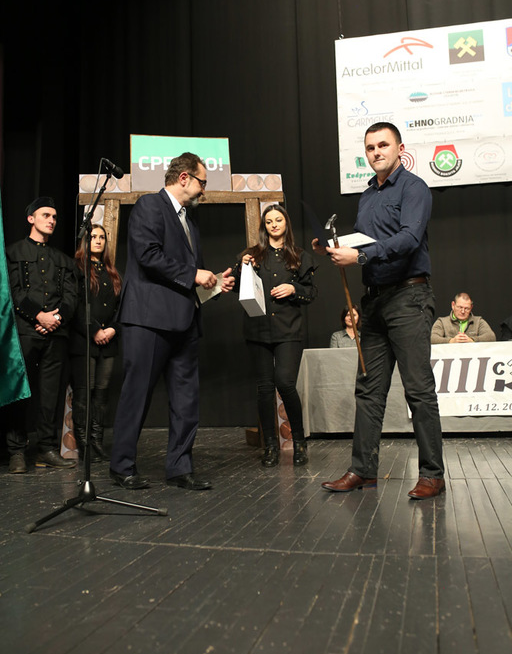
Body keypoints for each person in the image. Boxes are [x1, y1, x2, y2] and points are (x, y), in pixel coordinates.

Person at [313, 122, 445, 500]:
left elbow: (408, 238)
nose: (376, 152)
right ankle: (362, 470)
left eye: (383, 145)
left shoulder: (414, 187)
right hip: (373, 302)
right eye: (370, 147)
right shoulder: (367, 195)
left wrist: (359, 256)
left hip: (408, 298)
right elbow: (367, 242)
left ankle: (432, 474)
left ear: (400, 148)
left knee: (418, 390)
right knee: (368, 390)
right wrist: (336, 248)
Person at [109, 153, 234, 490]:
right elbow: (148, 255)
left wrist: (213, 283)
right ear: (183, 178)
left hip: (185, 321)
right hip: (148, 320)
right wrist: (195, 274)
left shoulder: (190, 222)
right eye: (202, 182)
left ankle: (180, 468)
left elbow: (189, 276)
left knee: (186, 400)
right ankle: (122, 466)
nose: (204, 191)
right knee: (137, 395)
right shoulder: (150, 205)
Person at [233, 204, 317, 467]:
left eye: (278, 220)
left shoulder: (299, 256)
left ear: (286, 223)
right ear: (264, 226)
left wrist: (293, 288)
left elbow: (311, 293)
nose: (274, 225)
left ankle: (299, 442)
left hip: (288, 330)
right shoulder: (251, 255)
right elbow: (236, 285)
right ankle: (270, 446)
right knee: (264, 388)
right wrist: (241, 268)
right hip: (258, 329)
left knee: (285, 383)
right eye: (269, 221)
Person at [5, 197, 77, 473]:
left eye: (54, 217)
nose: (51, 220)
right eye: (46, 215)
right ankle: (17, 451)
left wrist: (54, 319)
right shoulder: (13, 252)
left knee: (50, 393)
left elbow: (70, 296)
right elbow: (13, 290)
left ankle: (46, 448)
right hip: (25, 332)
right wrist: (38, 316)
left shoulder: (62, 259)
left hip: (55, 334)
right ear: (31, 219)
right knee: (21, 393)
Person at [70, 224, 122, 461]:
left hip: (109, 341)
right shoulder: (78, 268)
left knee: (102, 393)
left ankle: (97, 441)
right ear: (85, 240)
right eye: (93, 237)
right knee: (85, 393)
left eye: (102, 237)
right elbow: (76, 305)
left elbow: (121, 306)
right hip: (85, 340)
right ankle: (84, 445)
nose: (98, 241)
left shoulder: (112, 271)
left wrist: (113, 329)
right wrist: (94, 331)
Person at [431, 293, 496, 343]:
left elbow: (491, 337)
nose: (463, 311)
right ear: (453, 305)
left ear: (471, 307)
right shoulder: (442, 322)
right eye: (460, 307)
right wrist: (451, 341)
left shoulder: (478, 321)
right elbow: (432, 338)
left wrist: (472, 340)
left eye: (466, 308)